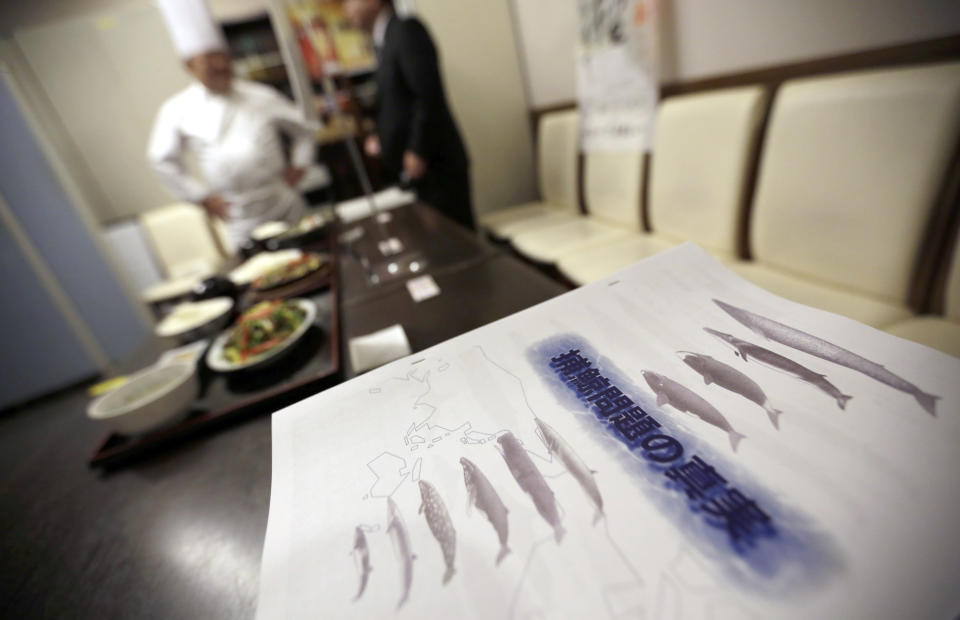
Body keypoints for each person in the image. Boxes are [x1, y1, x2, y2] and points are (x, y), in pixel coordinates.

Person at [148, 0, 319, 247]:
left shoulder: (261, 95)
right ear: (189, 66)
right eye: (209, 59)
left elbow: (304, 130)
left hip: (282, 202)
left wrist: (301, 163)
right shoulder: (176, 110)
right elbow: (160, 159)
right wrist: (201, 197)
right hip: (239, 217)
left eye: (223, 57)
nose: (220, 65)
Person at [344, 0, 475, 230]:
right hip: (418, 172)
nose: (347, 8)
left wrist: (418, 149)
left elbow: (427, 94)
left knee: (456, 247)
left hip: (436, 167)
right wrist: (380, 136)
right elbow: (396, 101)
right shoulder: (384, 40)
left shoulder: (405, 30)